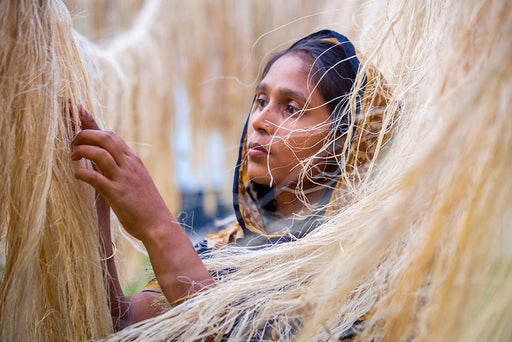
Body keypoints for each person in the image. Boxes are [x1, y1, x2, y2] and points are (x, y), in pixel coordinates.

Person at [71, 30, 388, 333]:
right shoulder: (225, 247)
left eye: (291, 108)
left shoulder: (363, 264)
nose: (260, 121)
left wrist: (159, 227)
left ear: (346, 139)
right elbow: (121, 322)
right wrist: (95, 205)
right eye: (261, 101)